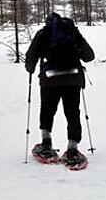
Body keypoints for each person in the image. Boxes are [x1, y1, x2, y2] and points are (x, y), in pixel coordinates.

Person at [25, 13, 95, 165]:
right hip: (73, 78)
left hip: (50, 79)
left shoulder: (44, 33)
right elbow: (89, 56)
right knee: (72, 113)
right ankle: (72, 149)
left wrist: (30, 68)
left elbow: (31, 57)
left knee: (47, 110)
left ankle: (46, 143)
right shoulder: (73, 32)